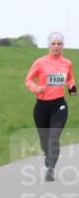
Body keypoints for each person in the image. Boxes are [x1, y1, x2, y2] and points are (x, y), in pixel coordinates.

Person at [25, 32, 76, 181]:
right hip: (41, 107)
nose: (56, 46)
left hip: (59, 106)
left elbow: (70, 78)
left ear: (63, 46)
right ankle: (47, 154)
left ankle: (51, 169)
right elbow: (28, 80)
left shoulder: (67, 63)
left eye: (59, 44)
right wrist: (36, 88)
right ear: (49, 45)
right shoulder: (40, 62)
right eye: (53, 44)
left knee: (54, 137)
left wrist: (72, 87)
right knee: (44, 140)